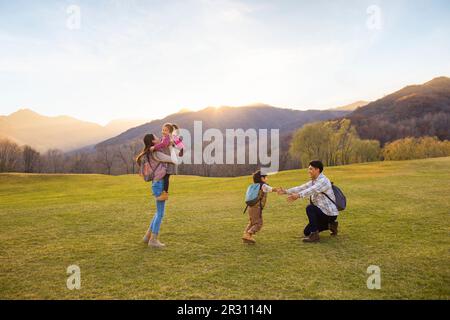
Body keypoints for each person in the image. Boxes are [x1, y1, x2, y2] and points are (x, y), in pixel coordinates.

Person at [278, 160, 339, 243]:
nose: (308, 171)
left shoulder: (323, 181)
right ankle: (330, 225)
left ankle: (314, 236)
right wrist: (286, 191)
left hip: (329, 213)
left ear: (317, 170)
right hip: (321, 212)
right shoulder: (314, 181)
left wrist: (298, 195)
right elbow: (301, 188)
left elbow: (311, 190)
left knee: (310, 208)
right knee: (306, 232)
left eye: (311, 169)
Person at [136, 134, 168, 248]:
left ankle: (147, 237)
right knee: (160, 213)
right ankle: (153, 240)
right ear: (153, 141)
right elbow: (173, 160)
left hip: (156, 183)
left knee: (158, 212)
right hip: (159, 183)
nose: (158, 138)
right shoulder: (156, 153)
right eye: (156, 137)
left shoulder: (150, 152)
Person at [242, 170, 280, 244]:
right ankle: (249, 234)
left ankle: (245, 235)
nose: (267, 179)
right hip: (257, 207)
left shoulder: (253, 186)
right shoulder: (263, 185)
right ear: (262, 178)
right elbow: (271, 189)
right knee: (259, 223)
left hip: (250, 206)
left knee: (252, 222)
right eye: (266, 177)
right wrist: (278, 189)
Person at [150, 123, 177, 201]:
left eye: (166, 130)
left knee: (165, 177)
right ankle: (159, 191)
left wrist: (154, 147)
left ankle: (165, 193)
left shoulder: (168, 138)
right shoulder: (165, 138)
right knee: (163, 176)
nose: (163, 131)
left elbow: (163, 144)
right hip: (167, 161)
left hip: (169, 162)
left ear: (169, 132)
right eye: (163, 130)